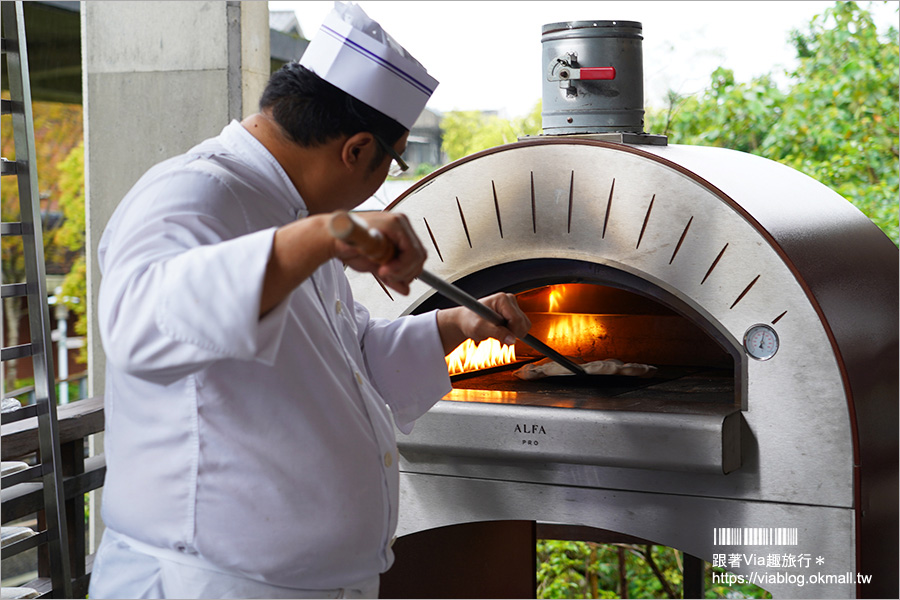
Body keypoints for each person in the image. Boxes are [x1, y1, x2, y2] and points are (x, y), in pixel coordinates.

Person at [87, 3, 530, 599]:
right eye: (394, 161)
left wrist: (455, 324)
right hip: (210, 583)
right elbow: (142, 327)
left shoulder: (293, 210)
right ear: (355, 150)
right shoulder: (194, 193)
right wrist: (321, 237)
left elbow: (340, 366)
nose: (383, 182)